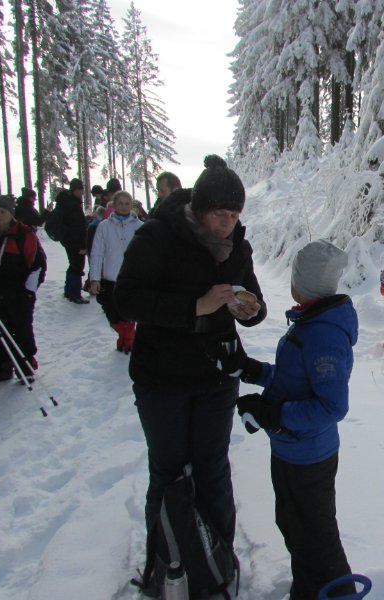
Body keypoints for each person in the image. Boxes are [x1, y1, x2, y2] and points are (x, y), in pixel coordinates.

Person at [114, 154, 266, 594]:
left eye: (235, 214)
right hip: (161, 378)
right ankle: (165, 568)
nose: (228, 222)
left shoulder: (237, 244)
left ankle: (217, 565)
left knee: (213, 470)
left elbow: (252, 297)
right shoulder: (158, 236)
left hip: (216, 376)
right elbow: (126, 300)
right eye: (220, 213)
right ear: (199, 208)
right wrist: (193, 307)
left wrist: (251, 310)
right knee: (168, 472)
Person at [236, 239, 358, 600]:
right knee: (294, 528)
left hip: (309, 457)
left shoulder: (322, 334)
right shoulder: (310, 322)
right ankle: (307, 591)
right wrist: (256, 371)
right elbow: (295, 379)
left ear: (302, 284)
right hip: (291, 449)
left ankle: (339, 595)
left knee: (317, 540)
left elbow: (331, 406)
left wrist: (272, 413)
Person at [0, 194, 46, 383]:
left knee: (22, 330)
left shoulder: (24, 234)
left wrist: (29, 290)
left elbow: (37, 264)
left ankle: (26, 367)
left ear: (11, 213)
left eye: (2, 212)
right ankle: (2, 366)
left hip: (20, 292)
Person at [87, 191, 143, 353]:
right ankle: (124, 335)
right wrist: (95, 278)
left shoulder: (139, 226)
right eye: (120, 203)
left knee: (129, 313)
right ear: (114, 205)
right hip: (110, 278)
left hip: (132, 278)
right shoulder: (104, 226)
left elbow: (146, 254)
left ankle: (128, 340)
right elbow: (97, 253)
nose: (124, 207)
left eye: (127, 203)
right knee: (113, 314)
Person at [51, 178, 90, 303]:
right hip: (74, 242)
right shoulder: (72, 205)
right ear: (75, 190)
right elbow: (76, 227)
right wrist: (81, 245)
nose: (82, 192)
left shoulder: (66, 202)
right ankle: (75, 294)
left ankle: (69, 291)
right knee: (77, 267)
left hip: (69, 241)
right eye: (81, 189)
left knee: (73, 265)